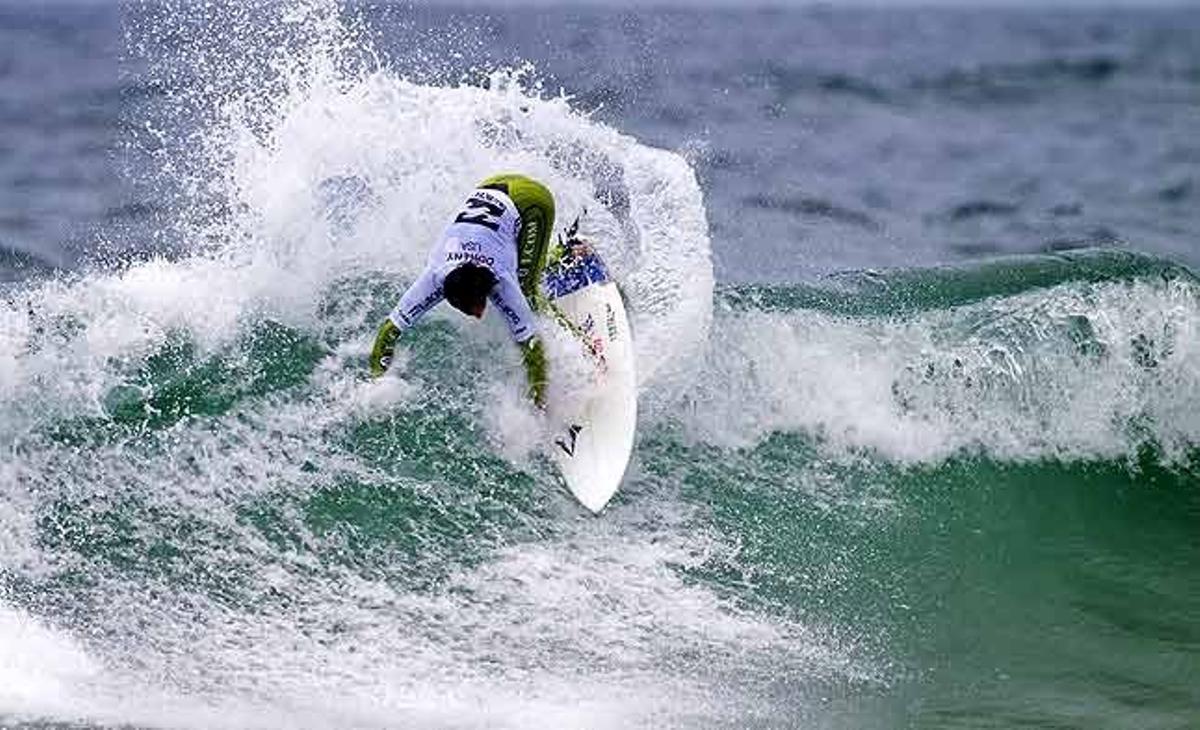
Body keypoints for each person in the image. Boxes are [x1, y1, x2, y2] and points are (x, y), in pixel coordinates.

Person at [369, 173, 555, 406]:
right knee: (514, 259)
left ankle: (563, 256)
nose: (479, 315)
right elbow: (390, 329)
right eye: (473, 309)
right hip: (488, 186)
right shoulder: (435, 275)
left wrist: (540, 400)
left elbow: (531, 343)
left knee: (527, 290)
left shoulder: (503, 280)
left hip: (529, 199)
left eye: (478, 306)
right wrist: (378, 379)